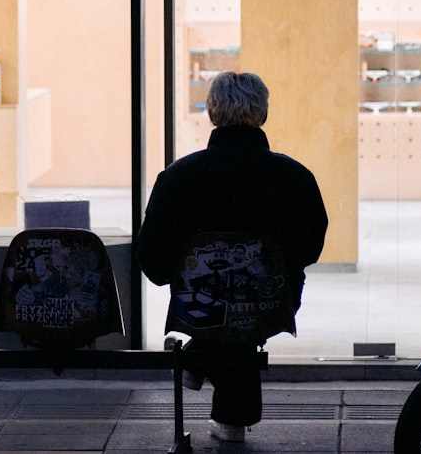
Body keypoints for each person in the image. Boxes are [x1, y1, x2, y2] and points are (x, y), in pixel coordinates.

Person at [137, 71, 328, 443]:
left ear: (211, 113)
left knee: (219, 302)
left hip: (198, 307)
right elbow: (310, 248)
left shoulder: (178, 177)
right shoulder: (294, 177)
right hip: (270, 303)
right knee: (245, 307)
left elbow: (153, 258)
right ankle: (226, 411)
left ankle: (200, 352)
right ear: (264, 114)